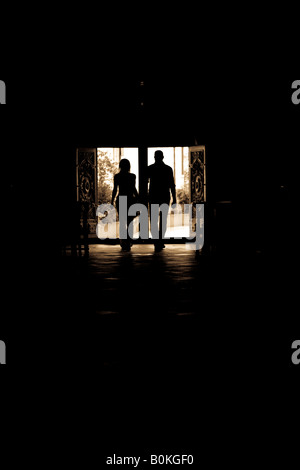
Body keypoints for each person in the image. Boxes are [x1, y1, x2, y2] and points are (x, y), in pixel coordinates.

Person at [147, 150, 176, 252]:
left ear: (154, 157)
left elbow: (145, 183)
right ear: (163, 157)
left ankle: (156, 242)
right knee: (163, 220)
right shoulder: (168, 169)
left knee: (154, 220)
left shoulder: (150, 168)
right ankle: (160, 240)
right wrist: (174, 198)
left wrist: (145, 197)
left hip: (153, 196)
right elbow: (172, 184)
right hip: (164, 196)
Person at [111, 158, 139, 251]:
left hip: (121, 199)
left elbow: (115, 189)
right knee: (130, 221)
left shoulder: (117, 176)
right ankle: (128, 240)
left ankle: (123, 241)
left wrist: (112, 200)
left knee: (123, 221)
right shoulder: (132, 176)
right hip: (130, 199)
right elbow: (134, 189)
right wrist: (138, 199)